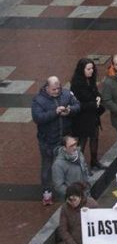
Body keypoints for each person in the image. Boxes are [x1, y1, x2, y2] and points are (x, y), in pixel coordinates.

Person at [32, 74, 81, 203]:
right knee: (48, 166)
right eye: (54, 89)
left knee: (71, 164)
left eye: (58, 88)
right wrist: (55, 112)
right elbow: (38, 118)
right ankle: (47, 192)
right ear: (47, 88)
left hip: (65, 139)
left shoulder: (66, 94)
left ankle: (72, 190)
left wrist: (70, 110)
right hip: (48, 140)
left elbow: (77, 105)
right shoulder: (38, 100)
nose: (57, 91)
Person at [69, 56, 104, 168]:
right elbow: (78, 103)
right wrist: (95, 103)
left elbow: (96, 92)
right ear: (82, 69)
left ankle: (94, 161)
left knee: (95, 137)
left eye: (92, 68)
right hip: (82, 118)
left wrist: (98, 97)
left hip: (93, 115)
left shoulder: (90, 80)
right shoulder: (76, 84)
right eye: (88, 69)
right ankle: (79, 165)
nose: (91, 71)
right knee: (82, 140)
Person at [51, 134, 92, 201]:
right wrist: (73, 195)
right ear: (64, 148)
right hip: (72, 200)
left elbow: (85, 169)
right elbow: (59, 186)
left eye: (75, 144)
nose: (75, 147)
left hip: (85, 194)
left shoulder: (79, 154)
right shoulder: (58, 165)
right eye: (71, 146)